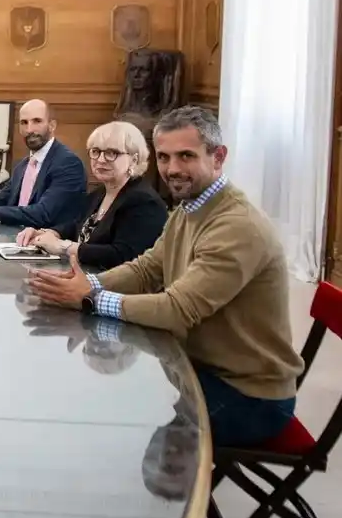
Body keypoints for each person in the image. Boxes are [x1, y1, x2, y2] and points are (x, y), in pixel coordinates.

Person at [27, 106, 305, 447]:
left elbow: (177, 310)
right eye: (164, 157)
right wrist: (90, 284)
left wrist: (89, 299)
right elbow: (147, 268)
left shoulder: (237, 225)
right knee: (94, 402)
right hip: (199, 368)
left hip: (247, 395)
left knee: (117, 425)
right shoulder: (189, 208)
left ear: (218, 157)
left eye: (186, 156)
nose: (173, 169)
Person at [15, 121, 167, 269]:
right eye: (96, 152)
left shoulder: (144, 201)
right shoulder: (100, 193)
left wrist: (63, 246)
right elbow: (77, 226)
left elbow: (123, 256)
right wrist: (45, 233)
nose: (100, 160)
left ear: (134, 160)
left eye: (111, 153)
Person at [0, 99, 87, 228]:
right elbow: (3, 198)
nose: (29, 129)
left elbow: (43, 213)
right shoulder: (23, 165)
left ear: (52, 125)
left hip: (46, 242)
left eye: (37, 121)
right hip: (14, 237)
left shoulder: (68, 164)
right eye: (24, 123)